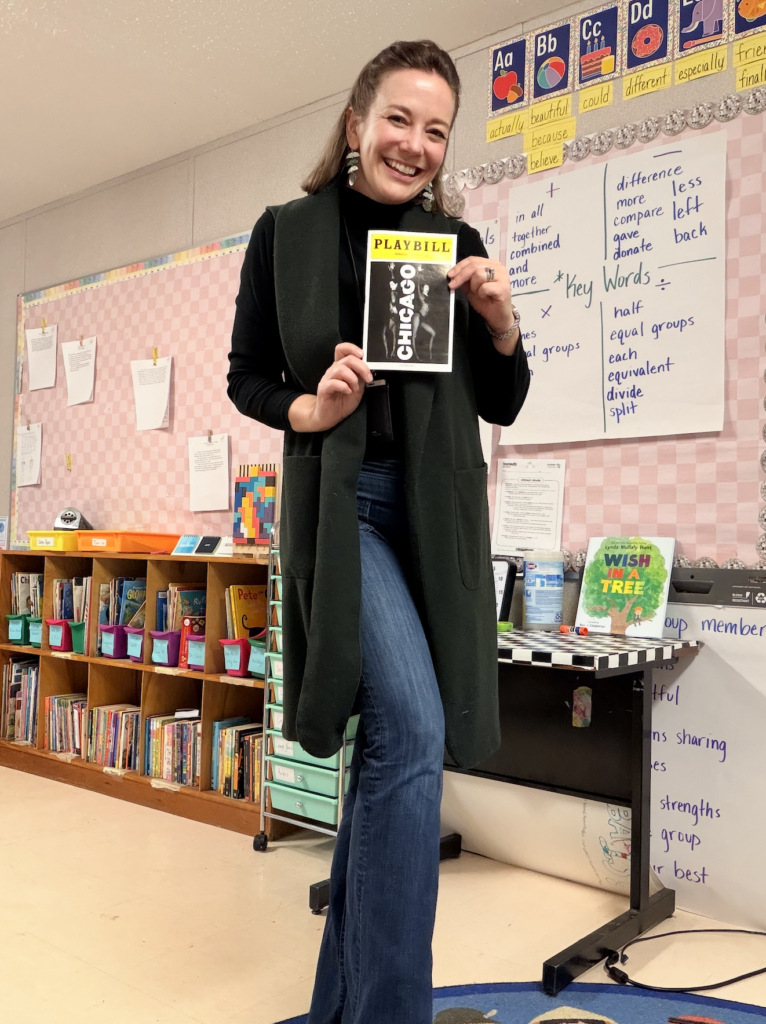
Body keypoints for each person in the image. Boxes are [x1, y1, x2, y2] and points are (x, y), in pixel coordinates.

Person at [227, 39, 530, 1024]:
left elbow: (506, 401)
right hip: (344, 507)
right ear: (357, 123)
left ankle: (339, 1009)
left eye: (436, 129)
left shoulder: (453, 241)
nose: (415, 143)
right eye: (398, 119)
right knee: (413, 730)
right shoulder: (288, 233)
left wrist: (500, 324)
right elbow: (246, 375)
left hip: (432, 516)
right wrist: (307, 411)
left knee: (394, 749)